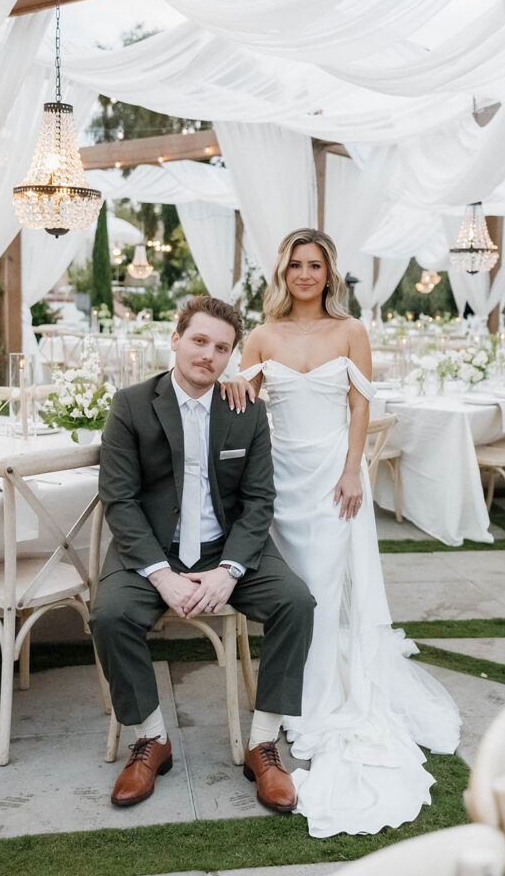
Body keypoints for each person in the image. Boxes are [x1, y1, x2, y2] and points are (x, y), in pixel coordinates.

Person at [222, 229, 461, 838]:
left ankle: (317, 701)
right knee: (293, 590)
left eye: (316, 265)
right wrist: (230, 385)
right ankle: (291, 689)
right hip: (279, 479)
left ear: (330, 273)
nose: (305, 274)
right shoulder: (261, 335)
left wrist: (355, 469)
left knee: (325, 590)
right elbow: (242, 400)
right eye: (296, 264)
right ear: (284, 272)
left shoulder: (352, 331)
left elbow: (359, 406)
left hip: (332, 473)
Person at [90, 296, 315, 812]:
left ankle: (261, 743)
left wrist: (230, 570)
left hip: (228, 546)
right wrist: (162, 575)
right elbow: (119, 500)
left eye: (221, 347)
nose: (208, 355)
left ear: (232, 356)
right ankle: (150, 738)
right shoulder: (130, 405)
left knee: (296, 603)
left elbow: (259, 501)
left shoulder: (245, 410)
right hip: (151, 549)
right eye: (198, 340)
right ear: (175, 339)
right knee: (109, 613)